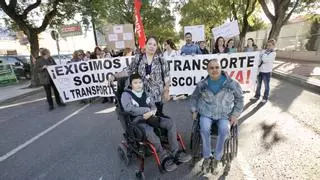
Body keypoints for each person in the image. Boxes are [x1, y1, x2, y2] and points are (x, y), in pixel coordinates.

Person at [121, 74, 192, 171]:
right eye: (135, 83)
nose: (138, 85)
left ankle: (176, 152)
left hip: (152, 116)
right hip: (138, 120)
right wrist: (145, 112)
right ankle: (164, 157)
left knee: (170, 123)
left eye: (140, 82)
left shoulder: (145, 92)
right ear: (131, 84)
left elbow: (153, 105)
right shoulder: (126, 95)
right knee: (149, 132)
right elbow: (128, 108)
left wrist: (153, 111)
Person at [190, 59, 244, 172]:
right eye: (211, 68)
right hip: (206, 112)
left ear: (220, 68)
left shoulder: (231, 83)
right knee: (204, 128)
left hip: (224, 114)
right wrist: (194, 110)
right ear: (207, 70)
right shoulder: (202, 84)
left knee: (224, 131)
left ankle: (217, 158)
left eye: (216, 67)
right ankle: (206, 156)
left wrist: (235, 115)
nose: (214, 70)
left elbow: (240, 99)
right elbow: (194, 97)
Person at [115, 36, 170, 116]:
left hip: (157, 95)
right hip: (142, 95)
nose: (152, 46)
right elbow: (128, 70)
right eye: (150, 44)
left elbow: (166, 76)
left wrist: (166, 91)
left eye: (154, 45)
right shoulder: (139, 57)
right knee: (144, 120)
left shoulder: (161, 59)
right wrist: (114, 76)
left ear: (157, 47)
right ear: (145, 45)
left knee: (158, 117)